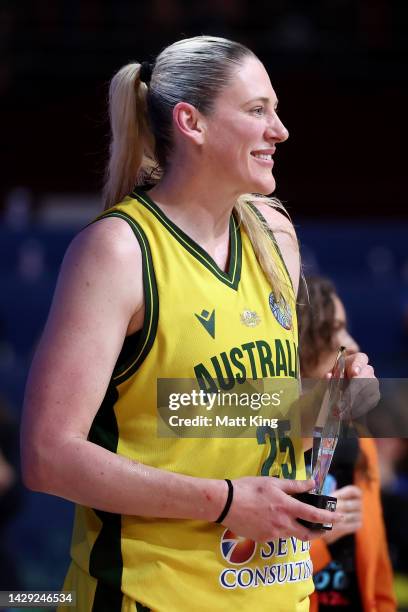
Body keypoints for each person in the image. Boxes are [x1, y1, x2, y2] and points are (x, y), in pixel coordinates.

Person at [21, 36, 376, 611]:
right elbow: (46, 456)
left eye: (276, 110)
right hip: (148, 595)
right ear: (192, 123)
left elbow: (248, 416)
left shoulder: (273, 234)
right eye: (257, 110)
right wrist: (226, 501)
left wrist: (329, 400)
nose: (280, 130)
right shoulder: (117, 251)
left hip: (276, 595)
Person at [298, 275, 396, 611]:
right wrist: (321, 539)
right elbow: (238, 575)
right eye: (335, 329)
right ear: (302, 341)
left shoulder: (358, 441)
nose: (351, 342)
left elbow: (377, 570)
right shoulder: (262, 440)